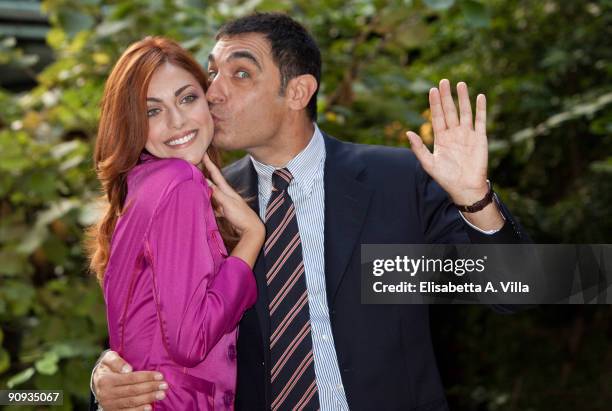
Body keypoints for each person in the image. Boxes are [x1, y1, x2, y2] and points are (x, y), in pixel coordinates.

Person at [91, 13, 529, 411]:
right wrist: (106, 384)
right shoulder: (203, 201)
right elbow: (160, 333)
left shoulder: (394, 181)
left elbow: (515, 295)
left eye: (240, 74)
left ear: (298, 91)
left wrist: (476, 198)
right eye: (211, 73)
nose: (213, 93)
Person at [87, 36, 264, 410]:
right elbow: (191, 339)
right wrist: (252, 236)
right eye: (152, 111)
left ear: (207, 99)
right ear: (132, 123)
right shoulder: (178, 183)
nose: (177, 121)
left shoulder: (144, 186)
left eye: (187, 98)